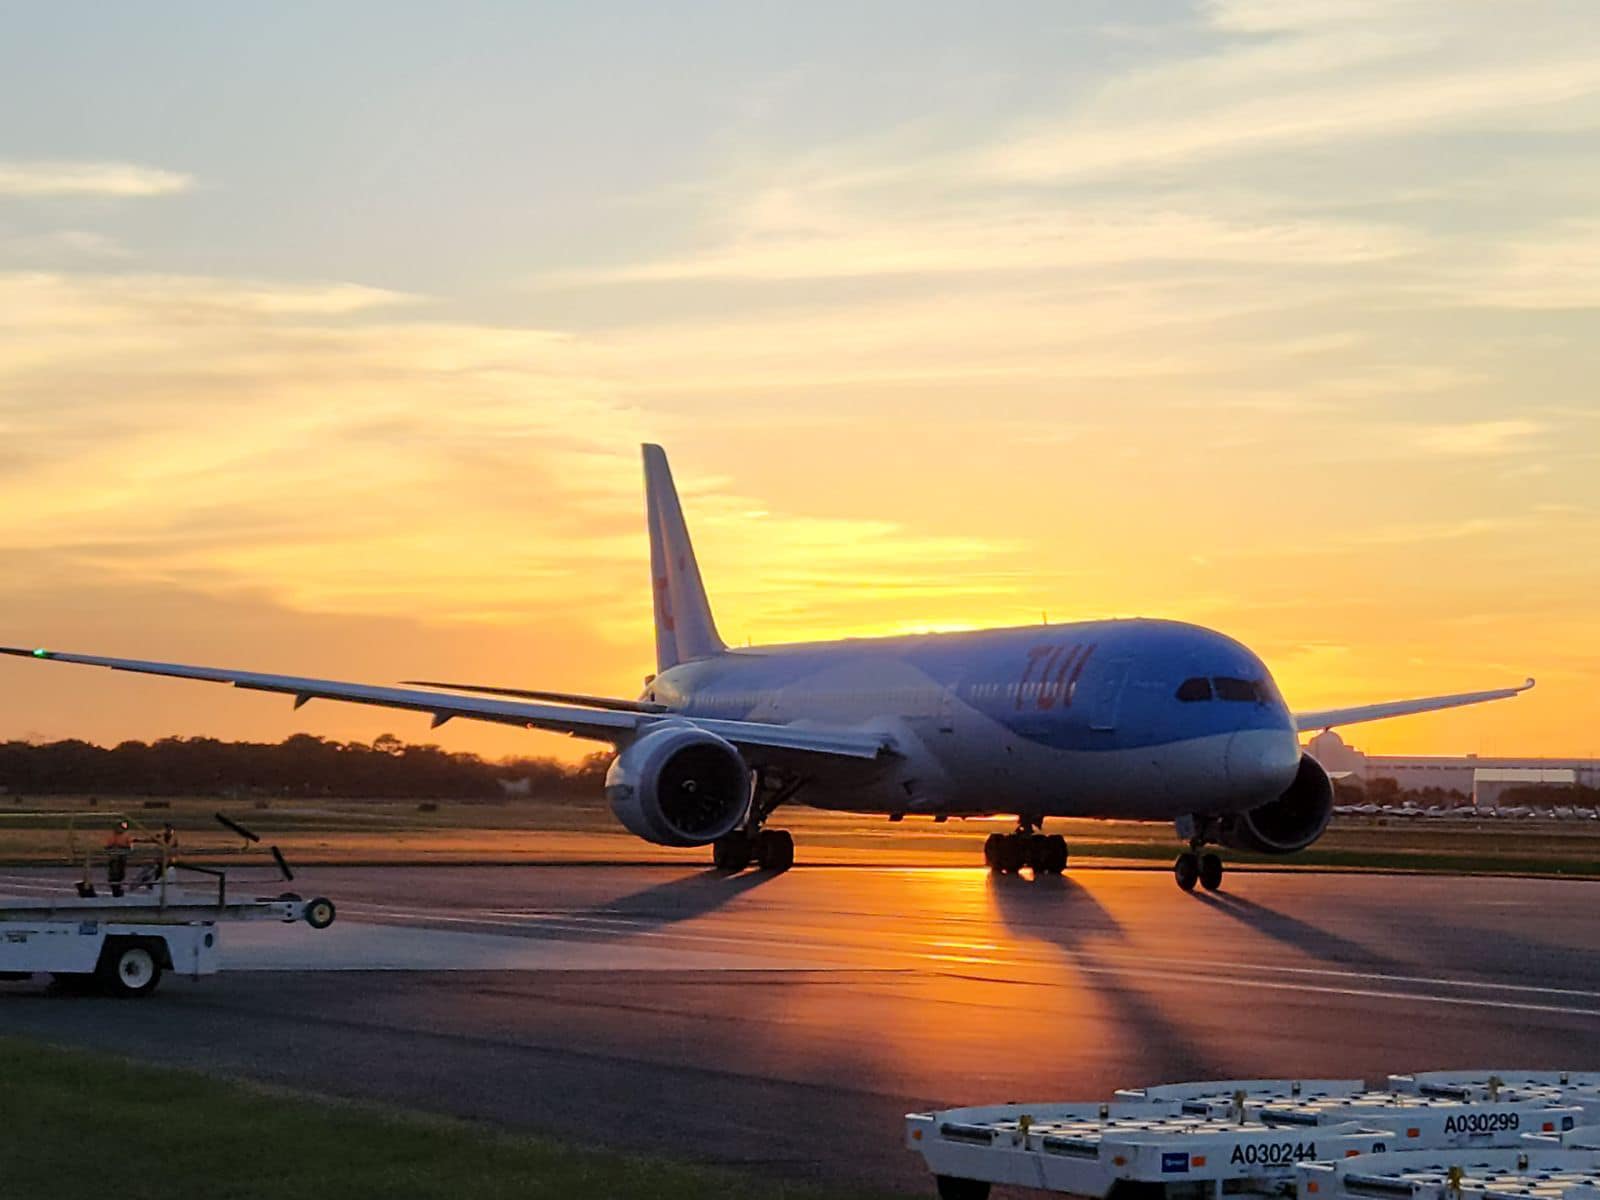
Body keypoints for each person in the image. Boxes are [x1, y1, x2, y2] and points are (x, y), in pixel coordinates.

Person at [105, 820, 132, 898]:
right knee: (113, 875)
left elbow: (130, 848)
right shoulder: (112, 836)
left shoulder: (126, 836)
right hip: (113, 858)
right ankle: (115, 888)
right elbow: (107, 847)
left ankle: (118, 888)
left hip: (121, 858)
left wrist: (122, 849)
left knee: (119, 875)